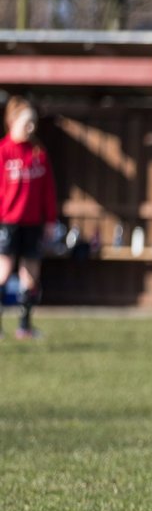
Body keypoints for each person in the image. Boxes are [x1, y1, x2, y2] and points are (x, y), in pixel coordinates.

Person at [0, 96, 58, 340]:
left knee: (31, 275)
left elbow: (48, 190)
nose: (32, 127)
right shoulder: (3, 152)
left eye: (34, 123)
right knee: (3, 271)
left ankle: (24, 327)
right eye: (27, 122)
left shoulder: (38, 153)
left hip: (33, 223)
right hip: (7, 222)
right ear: (13, 121)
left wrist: (50, 220)